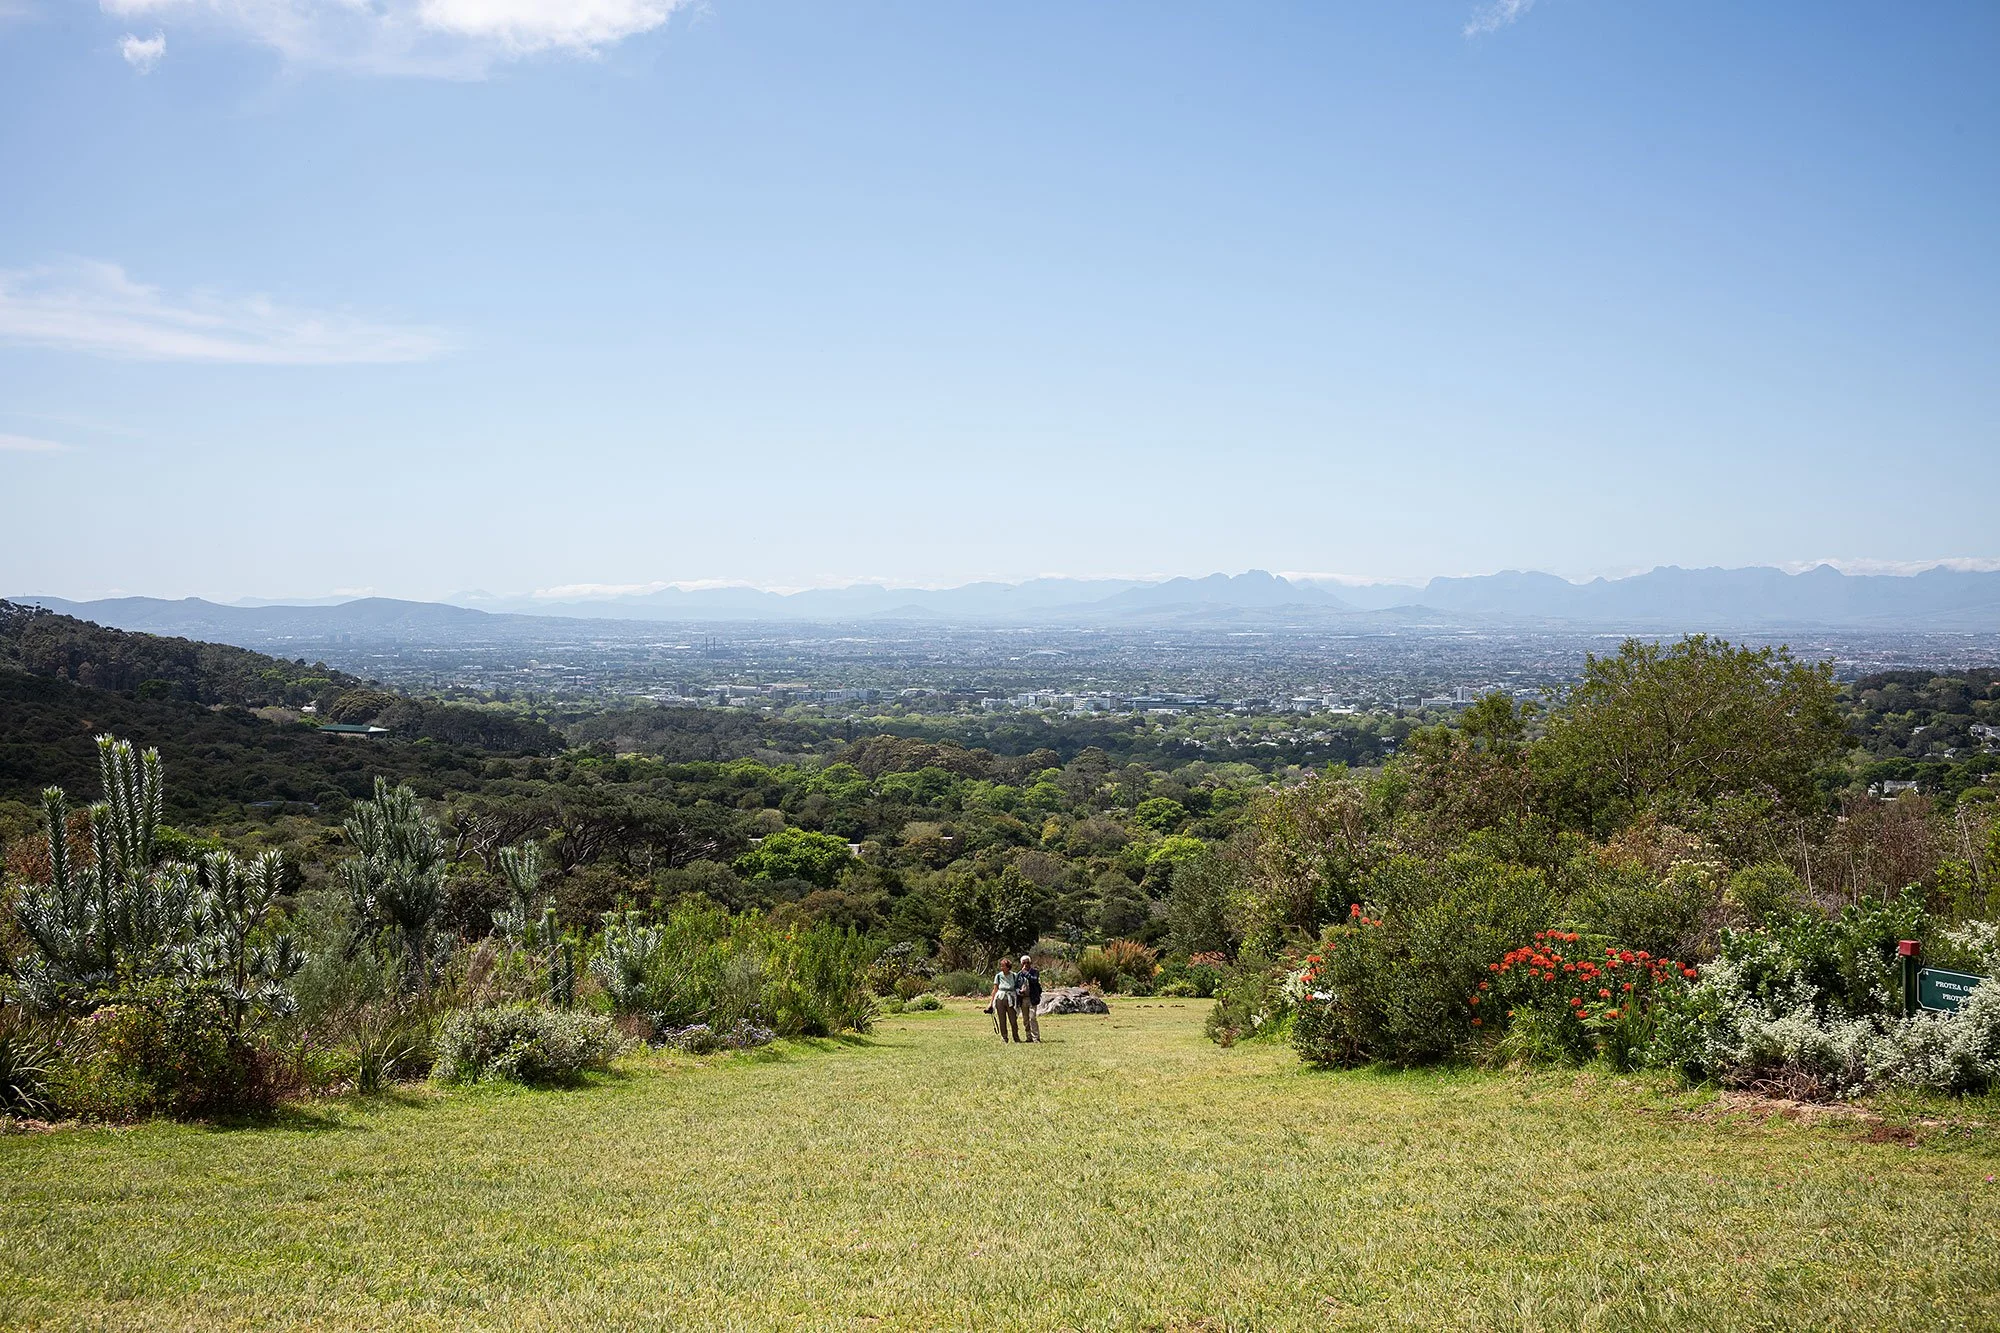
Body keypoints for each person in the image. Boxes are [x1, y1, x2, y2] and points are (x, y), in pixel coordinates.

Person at [989, 957, 1023, 1042]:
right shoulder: (998, 976)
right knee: (1002, 1019)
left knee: (1013, 1020)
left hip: (1011, 998)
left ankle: (1016, 1037)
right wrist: (991, 1003)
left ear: (1008, 967)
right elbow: (995, 989)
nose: (1001, 968)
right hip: (1000, 998)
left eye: (1003, 966)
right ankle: (1004, 1037)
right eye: (1001, 966)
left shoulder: (1014, 975)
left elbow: (1018, 986)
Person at [1018, 953, 1043, 1043]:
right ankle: (1029, 1037)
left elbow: (1034, 980)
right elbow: (1016, 985)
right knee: (1025, 1020)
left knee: (1032, 1018)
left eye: (1027, 963)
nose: (1026, 964)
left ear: (1030, 963)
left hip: (1032, 998)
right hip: (1023, 999)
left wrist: (1026, 973)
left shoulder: (1035, 972)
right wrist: (1019, 991)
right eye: (1024, 963)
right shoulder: (1019, 974)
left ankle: (1036, 1038)